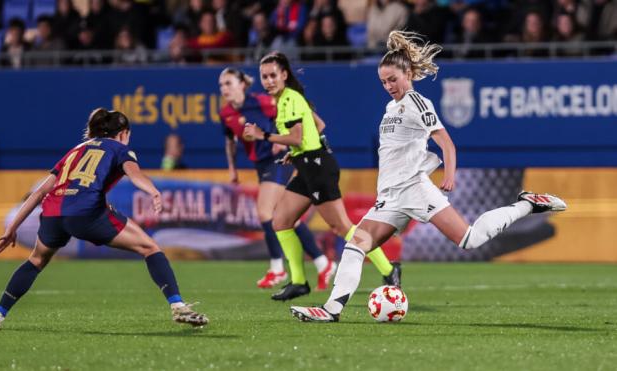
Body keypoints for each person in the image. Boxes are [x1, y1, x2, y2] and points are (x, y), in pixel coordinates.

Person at [289, 30, 567, 322]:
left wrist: (449, 175)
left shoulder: (418, 103)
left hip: (416, 190)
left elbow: (446, 142)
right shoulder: (391, 107)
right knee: (356, 244)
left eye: (393, 80)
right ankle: (331, 310)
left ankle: (526, 204)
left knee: (469, 240)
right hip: (391, 197)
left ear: (407, 73)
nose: (388, 86)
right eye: (383, 82)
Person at [0, 108, 208, 330]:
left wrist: (12, 228)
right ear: (123, 133)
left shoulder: (75, 150)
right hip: (86, 213)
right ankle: (178, 306)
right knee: (150, 248)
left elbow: (39, 192)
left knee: (36, 261)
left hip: (53, 213)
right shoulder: (120, 148)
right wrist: (154, 191)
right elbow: (135, 174)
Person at [243, 52, 401, 301]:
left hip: (317, 167)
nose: (269, 80)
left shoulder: (290, 99)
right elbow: (318, 125)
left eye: (273, 75)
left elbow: (296, 136)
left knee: (341, 226)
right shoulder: (287, 99)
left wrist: (263, 135)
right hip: (306, 165)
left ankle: (389, 269)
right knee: (280, 221)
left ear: (284, 75)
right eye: (264, 76)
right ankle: (298, 282)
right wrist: (295, 152)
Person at [219, 67, 336, 291]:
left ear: (242, 84)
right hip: (260, 164)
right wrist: (232, 168)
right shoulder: (226, 114)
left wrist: (281, 141)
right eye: (222, 85)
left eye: (228, 83)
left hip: (280, 159)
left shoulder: (262, 102)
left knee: (265, 212)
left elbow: (290, 116)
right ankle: (323, 263)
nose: (224, 88)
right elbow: (230, 142)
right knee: (287, 217)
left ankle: (277, 268)